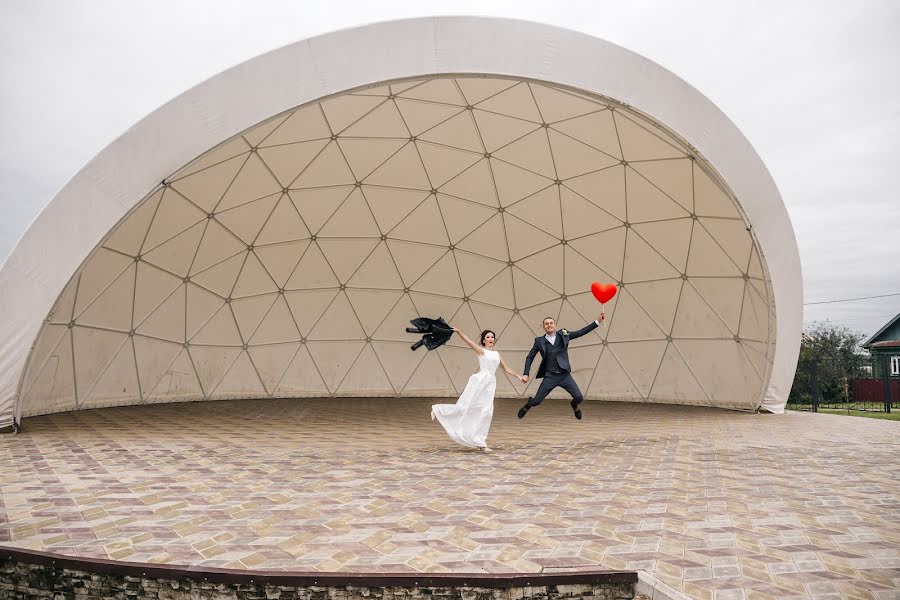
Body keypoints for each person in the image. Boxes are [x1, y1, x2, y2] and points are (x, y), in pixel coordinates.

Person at [431, 328, 526, 452]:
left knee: (486, 411)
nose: (491, 339)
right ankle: (438, 410)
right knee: (465, 406)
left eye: (492, 337)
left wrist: (518, 376)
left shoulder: (497, 354)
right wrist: (459, 332)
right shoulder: (481, 351)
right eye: (488, 337)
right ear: (484, 340)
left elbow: (506, 369)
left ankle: (480, 442)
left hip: (490, 384)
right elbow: (469, 341)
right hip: (480, 382)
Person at [519, 312, 606, 420]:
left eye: (551, 323)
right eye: (546, 324)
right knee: (536, 401)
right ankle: (528, 405)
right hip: (550, 376)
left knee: (579, 397)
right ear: (543, 327)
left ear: (555, 325)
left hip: (564, 375)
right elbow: (530, 357)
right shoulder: (539, 341)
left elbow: (580, 332)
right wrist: (526, 373)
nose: (549, 325)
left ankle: (574, 406)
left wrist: (597, 322)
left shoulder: (564, 334)